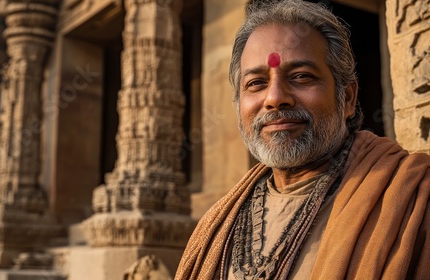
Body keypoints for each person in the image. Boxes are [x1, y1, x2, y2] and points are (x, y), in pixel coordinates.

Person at [175, 0, 430, 279]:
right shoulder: (217, 223)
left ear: (347, 97)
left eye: (301, 77)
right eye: (256, 83)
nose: (274, 98)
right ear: (238, 104)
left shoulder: (410, 197)